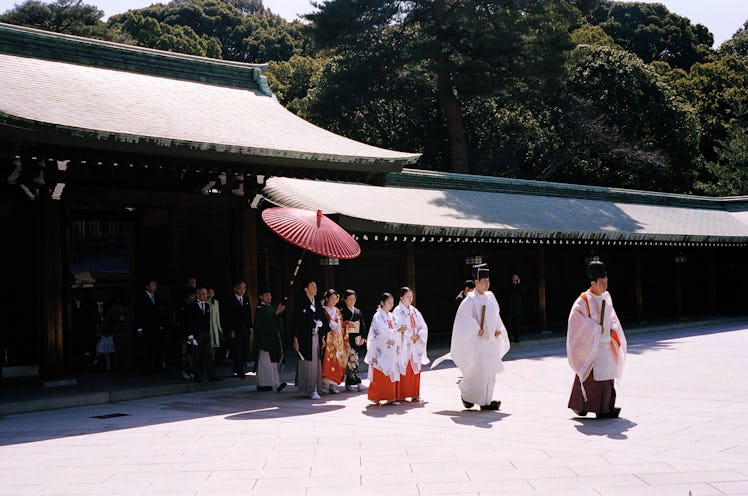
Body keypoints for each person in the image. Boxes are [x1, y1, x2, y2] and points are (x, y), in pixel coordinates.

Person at [567, 260, 627, 418]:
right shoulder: (583, 300)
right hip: (592, 347)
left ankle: (606, 407)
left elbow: (613, 317)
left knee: (608, 378)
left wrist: (612, 330)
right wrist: (595, 330)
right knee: (592, 379)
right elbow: (576, 322)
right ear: (593, 283)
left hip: (606, 344)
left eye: (606, 282)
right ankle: (589, 407)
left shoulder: (607, 296)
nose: (605, 286)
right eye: (602, 283)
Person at [451, 263, 510, 410]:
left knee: (490, 373)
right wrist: (476, 329)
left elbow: (496, 315)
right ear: (476, 282)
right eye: (483, 281)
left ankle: (486, 401)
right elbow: (463, 320)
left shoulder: (491, 297)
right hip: (478, 343)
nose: (487, 284)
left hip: (490, 342)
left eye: (488, 281)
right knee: (477, 373)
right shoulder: (470, 300)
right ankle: (467, 395)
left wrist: (498, 329)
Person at [365, 292, 406, 406]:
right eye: (388, 303)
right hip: (380, 349)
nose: (390, 305)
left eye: (392, 303)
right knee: (380, 372)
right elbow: (381, 332)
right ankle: (376, 397)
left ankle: (391, 397)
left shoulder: (392, 316)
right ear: (382, 303)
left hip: (391, 349)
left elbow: (397, 327)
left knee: (392, 371)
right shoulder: (377, 316)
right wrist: (396, 331)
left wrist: (401, 330)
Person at [292, 280, 329, 400]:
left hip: (316, 335)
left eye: (316, 286)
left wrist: (322, 334)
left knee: (315, 362)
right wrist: (295, 339)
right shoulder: (300, 302)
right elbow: (296, 322)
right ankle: (308, 389)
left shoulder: (317, 302)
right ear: (306, 289)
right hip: (304, 337)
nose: (315, 288)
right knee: (306, 362)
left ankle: (314, 388)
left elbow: (322, 317)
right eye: (312, 286)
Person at [393, 287, 428, 402]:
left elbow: (422, 325)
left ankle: (414, 394)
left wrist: (419, 334)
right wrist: (409, 336)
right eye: (407, 297)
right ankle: (401, 394)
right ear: (401, 298)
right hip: (404, 344)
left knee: (415, 368)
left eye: (411, 296)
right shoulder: (397, 311)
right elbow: (397, 327)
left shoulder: (414, 310)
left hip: (415, 343)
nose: (410, 299)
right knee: (404, 367)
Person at [184, 286, 221, 382]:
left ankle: (213, 375)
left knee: (209, 355)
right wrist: (190, 336)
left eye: (206, 294)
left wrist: (208, 334)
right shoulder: (191, 306)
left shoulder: (207, 306)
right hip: (196, 334)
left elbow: (207, 321)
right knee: (197, 355)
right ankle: (197, 376)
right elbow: (188, 322)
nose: (205, 296)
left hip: (205, 334)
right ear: (198, 295)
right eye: (203, 294)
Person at [254, 287, 287, 392]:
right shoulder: (259, 309)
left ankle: (276, 383)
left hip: (274, 339)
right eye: (267, 295)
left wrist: (278, 313)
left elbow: (276, 320)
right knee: (265, 363)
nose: (269, 297)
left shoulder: (272, 307)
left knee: (273, 362)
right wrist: (276, 313)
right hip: (265, 340)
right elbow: (264, 320)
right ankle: (263, 384)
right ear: (261, 297)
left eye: (270, 295)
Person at [320, 289, 348, 394]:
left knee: (336, 361)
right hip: (328, 339)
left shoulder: (337, 310)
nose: (333, 301)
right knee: (327, 361)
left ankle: (333, 385)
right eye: (331, 298)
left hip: (337, 339)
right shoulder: (323, 310)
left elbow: (341, 324)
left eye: (335, 299)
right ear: (326, 299)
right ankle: (325, 386)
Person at [135, 280, 166, 374]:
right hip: (146, 326)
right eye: (153, 285)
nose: (155, 287)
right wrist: (139, 328)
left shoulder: (156, 297)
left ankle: (157, 367)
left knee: (157, 346)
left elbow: (160, 312)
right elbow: (138, 313)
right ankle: (148, 369)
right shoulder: (141, 297)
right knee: (147, 347)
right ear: (147, 286)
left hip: (156, 326)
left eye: (155, 285)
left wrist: (160, 325)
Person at [340, 289, 367, 392]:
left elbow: (362, 325)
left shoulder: (357, 311)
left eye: (353, 299)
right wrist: (346, 323)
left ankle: (351, 383)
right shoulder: (342, 312)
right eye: (350, 299)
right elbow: (339, 325)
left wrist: (363, 337)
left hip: (356, 338)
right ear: (345, 300)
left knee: (354, 360)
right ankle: (356, 382)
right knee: (349, 362)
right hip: (346, 339)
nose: (352, 301)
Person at [225, 280, 252, 379]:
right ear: (235, 289)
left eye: (244, 288)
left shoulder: (246, 299)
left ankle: (237, 367)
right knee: (237, 349)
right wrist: (230, 329)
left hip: (245, 328)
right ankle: (240, 370)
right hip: (236, 328)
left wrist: (250, 327)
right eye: (240, 288)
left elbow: (248, 314)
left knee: (245, 348)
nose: (242, 290)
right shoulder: (230, 300)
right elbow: (228, 316)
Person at [101, 294, 133, 371]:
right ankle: (122, 367)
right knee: (121, 350)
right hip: (121, 333)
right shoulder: (122, 310)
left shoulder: (121, 310)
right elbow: (106, 320)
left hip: (122, 332)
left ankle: (121, 367)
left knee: (120, 350)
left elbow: (106, 320)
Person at [506, 274, 526, 343]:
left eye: (516, 277)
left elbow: (524, 292)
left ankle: (516, 338)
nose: (515, 278)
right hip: (511, 308)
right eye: (514, 277)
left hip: (518, 308)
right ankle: (509, 338)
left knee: (517, 324)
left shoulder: (520, 285)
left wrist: (518, 284)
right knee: (509, 324)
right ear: (512, 278)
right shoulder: (510, 285)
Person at [205, 287, 224, 360]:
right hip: (208, 326)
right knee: (208, 345)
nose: (211, 294)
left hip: (215, 326)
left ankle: (212, 361)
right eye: (209, 293)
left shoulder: (216, 302)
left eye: (212, 293)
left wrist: (219, 328)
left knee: (214, 345)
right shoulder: (205, 302)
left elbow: (217, 316)